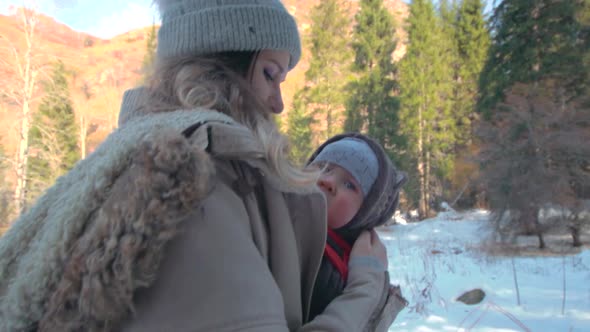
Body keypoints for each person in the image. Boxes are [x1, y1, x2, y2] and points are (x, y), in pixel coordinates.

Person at [0, 0, 403, 331]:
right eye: (270, 74)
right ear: (221, 64)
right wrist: (366, 290)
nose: (279, 104)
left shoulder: (133, 152)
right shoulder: (196, 181)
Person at [307, 133, 408, 321]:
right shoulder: (275, 220)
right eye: (323, 167)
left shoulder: (345, 268)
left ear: (365, 212)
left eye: (349, 184)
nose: (326, 181)